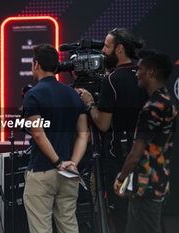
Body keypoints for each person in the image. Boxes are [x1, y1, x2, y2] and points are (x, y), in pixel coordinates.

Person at [77, 28, 148, 233]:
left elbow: (103, 124)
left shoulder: (112, 81)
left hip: (120, 160)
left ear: (119, 49)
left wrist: (90, 104)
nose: (103, 52)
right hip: (147, 157)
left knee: (122, 217)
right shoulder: (146, 74)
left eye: (106, 47)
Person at [23, 43, 89, 233]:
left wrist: (58, 162)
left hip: (43, 170)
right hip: (70, 172)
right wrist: (71, 164)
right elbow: (83, 134)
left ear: (36, 65)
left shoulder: (33, 94)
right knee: (69, 225)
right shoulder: (74, 95)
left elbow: (37, 133)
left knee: (41, 228)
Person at [113, 49, 177, 233]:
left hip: (146, 188)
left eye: (140, 69)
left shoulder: (152, 108)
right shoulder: (167, 101)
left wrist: (120, 180)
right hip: (157, 183)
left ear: (151, 72)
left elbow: (136, 153)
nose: (137, 73)